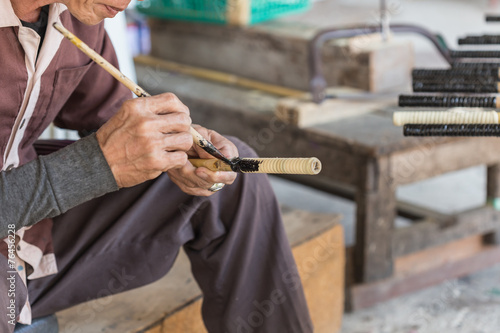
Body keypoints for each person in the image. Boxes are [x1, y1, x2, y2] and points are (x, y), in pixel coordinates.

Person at [0, 0, 314, 332]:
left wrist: (175, 148)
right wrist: (91, 167)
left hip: (30, 238)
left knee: (231, 186)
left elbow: (110, 116)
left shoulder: (73, 14)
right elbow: (96, 162)